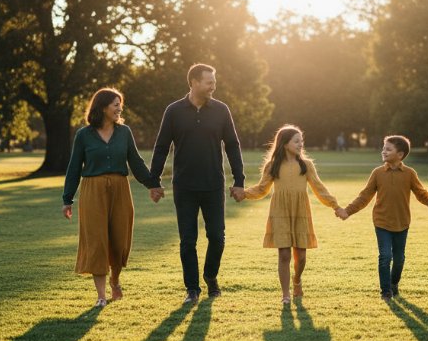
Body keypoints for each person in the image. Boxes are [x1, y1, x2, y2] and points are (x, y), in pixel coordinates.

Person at [149, 64, 246, 304]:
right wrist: (154, 181)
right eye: (208, 82)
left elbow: (233, 146)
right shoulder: (173, 111)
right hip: (184, 186)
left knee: (217, 237)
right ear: (193, 82)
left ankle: (210, 276)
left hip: (214, 184)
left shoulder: (221, 111)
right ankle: (192, 289)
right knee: (188, 240)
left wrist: (239, 181)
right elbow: (161, 147)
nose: (213, 86)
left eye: (214, 82)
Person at [62, 88, 158, 308]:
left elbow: (135, 161)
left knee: (120, 238)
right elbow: (74, 167)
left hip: (120, 188)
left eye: (120, 104)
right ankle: (101, 296)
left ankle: (115, 279)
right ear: (102, 107)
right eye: (115, 104)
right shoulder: (83, 135)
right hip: (93, 190)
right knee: (96, 241)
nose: (119, 108)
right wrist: (67, 199)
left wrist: (153, 184)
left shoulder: (124, 132)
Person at [241, 125, 345, 305]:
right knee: (284, 255)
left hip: (300, 211)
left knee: (301, 256)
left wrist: (335, 206)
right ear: (284, 143)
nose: (300, 144)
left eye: (301, 141)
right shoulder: (272, 165)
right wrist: (244, 193)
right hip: (279, 212)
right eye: (296, 141)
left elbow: (319, 188)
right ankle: (285, 294)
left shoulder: (306, 165)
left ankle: (297, 280)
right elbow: (261, 189)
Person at [338, 135, 428, 301]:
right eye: (384, 148)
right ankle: (385, 291)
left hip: (402, 222)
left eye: (388, 149)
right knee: (385, 256)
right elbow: (365, 196)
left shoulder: (409, 173)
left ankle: (393, 283)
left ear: (400, 154)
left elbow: (421, 193)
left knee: (399, 258)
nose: (384, 151)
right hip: (382, 222)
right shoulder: (377, 173)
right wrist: (348, 211)